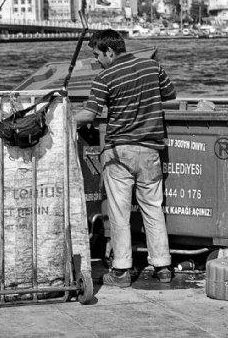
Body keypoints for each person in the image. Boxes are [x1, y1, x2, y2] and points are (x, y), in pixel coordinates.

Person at [75, 29, 176, 287]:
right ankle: (163, 266)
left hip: (119, 151)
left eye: (97, 55)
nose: (96, 60)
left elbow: (89, 114)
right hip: (150, 151)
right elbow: (170, 95)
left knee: (120, 213)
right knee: (153, 209)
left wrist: (58, 118)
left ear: (110, 51)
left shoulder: (104, 77)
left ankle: (121, 272)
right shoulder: (152, 66)